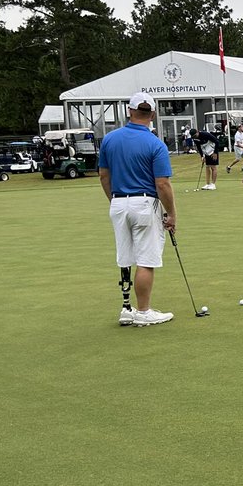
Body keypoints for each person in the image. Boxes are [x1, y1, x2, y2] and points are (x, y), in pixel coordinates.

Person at [98, 92, 177, 327]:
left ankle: (126, 308)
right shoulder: (155, 143)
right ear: (152, 114)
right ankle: (143, 312)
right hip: (144, 204)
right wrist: (171, 213)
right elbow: (162, 184)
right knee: (145, 259)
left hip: (118, 202)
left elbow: (103, 176)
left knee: (125, 256)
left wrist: (114, 200)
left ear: (129, 111)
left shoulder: (110, 140)